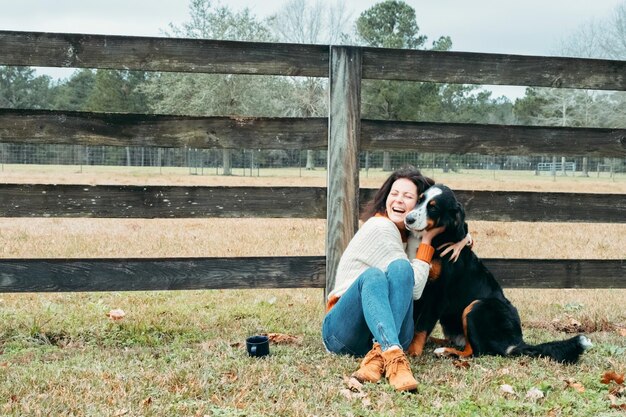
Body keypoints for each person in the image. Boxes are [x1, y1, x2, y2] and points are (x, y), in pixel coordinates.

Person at [322, 167, 471, 392]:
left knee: (400, 269)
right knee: (375, 275)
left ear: (419, 205)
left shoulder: (408, 234)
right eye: (394, 193)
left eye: (408, 196)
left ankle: (379, 357)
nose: (398, 200)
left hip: (386, 333)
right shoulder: (381, 227)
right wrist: (428, 240)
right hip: (343, 333)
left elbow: (449, 213)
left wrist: (465, 237)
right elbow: (416, 289)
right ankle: (393, 357)